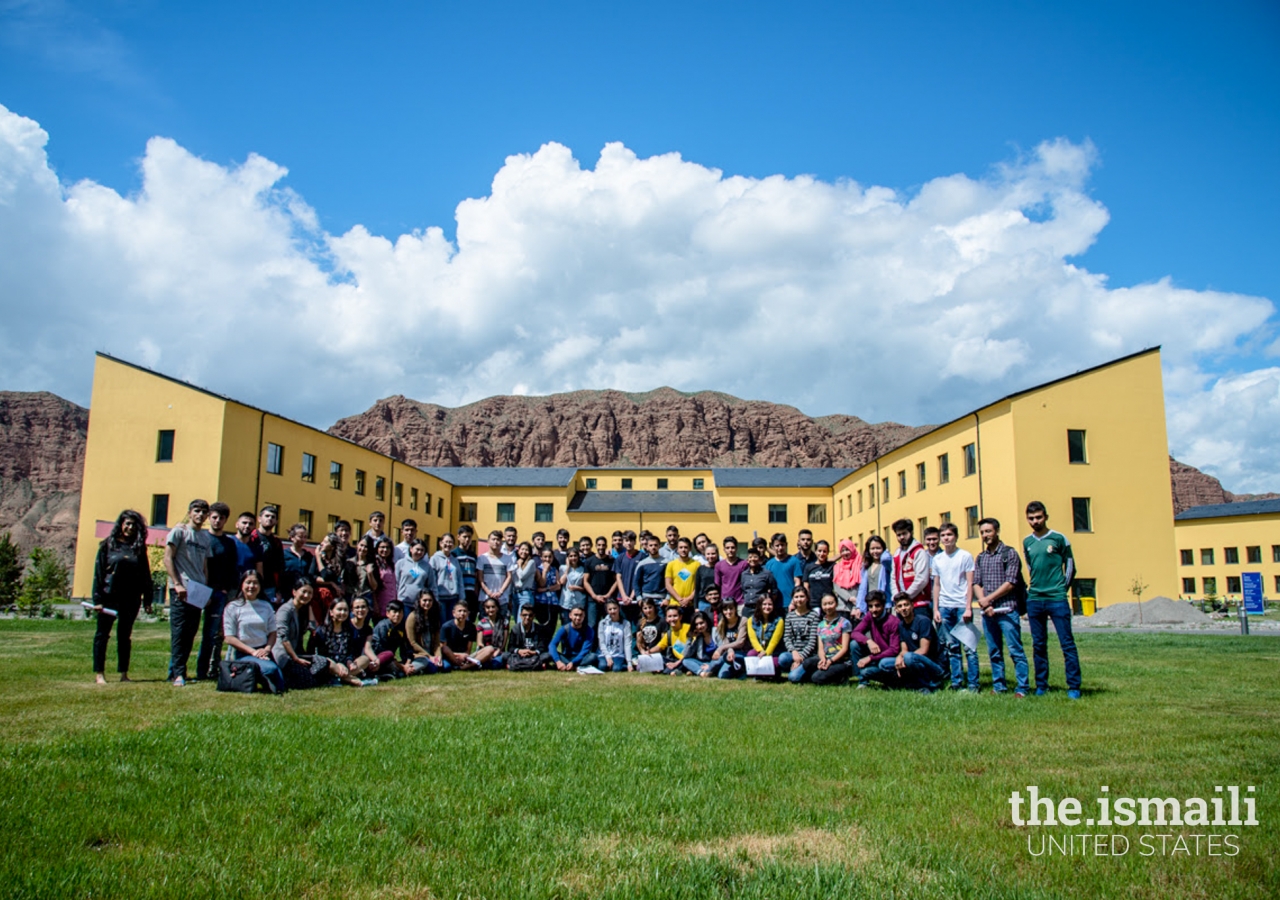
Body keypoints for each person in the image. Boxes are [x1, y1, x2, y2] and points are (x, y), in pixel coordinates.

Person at [1023, 501, 1082, 699]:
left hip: (1057, 599)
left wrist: (1060, 589)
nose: (1035, 521)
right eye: (1031, 518)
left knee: (1067, 643)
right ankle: (1041, 685)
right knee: (1039, 644)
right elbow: (1031, 567)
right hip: (1035, 599)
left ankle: (1074, 686)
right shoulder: (1027, 542)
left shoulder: (1058, 538)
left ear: (1046, 516)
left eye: (1038, 517)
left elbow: (1071, 567)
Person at [91, 509, 154, 684]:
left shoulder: (139, 548)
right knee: (102, 635)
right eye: (127, 524)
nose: (130, 527)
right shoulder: (107, 545)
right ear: (121, 525)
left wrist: (147, 599)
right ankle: (99, 673)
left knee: (124, 636)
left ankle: (124, 674)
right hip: (109, 596)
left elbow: (145, 575)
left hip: (131, 598)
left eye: (134, 525)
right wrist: (97, 600)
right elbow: (98, 573)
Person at [974, 517, 1030, 697]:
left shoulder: (1009, 554)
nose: (985, 535)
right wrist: (983, 602)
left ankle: (1022, 687)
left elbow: (1011, 583)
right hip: (988, 613)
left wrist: (988, 599)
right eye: (982, 532)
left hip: (1007, 610)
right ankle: (999, 686)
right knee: (994, 651)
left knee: (1015, 650)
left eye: (988, 531)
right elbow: (976, 582)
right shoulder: (981, 557)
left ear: (997, 531)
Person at [164, 499, 211, 687]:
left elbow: (205, 567)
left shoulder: (205, 538)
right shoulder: (179, 532)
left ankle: (180, 671)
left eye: (203, 512)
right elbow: (168, 558)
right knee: (179, 633)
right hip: (181, 589)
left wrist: (205, 591)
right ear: (190, 512)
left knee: (191, 633)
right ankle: (177, 674)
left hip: (197, 591)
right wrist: (177, 584)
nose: (200, 515)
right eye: (197, 511)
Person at [272, 577, 349, 689]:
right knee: (312, 679)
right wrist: (296, 658)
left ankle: (347, 677)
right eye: (304, 592)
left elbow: (313, 627)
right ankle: (352, 679)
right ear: (294, 592)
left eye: (310, 593)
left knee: (324, 663)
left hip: (297, 654)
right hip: (285, 657)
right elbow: (283, 638)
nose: (307, 595)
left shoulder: (303, 609)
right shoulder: (285, 610)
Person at [931, 522, 978, 692]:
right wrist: (936, 609)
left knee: (969, 647)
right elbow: (936, 585)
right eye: (943, 536)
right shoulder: (937, 559)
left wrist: (968, 607)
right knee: (952, 647)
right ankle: (957, 681)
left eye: (949, 535)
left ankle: (973, 684)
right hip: (945, 606)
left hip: (960, 606)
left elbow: (970, 582)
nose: (946, 538)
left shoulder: (965, 556)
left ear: (956, 536)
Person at [221, 570, 286, 692]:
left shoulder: (266, 606)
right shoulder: (233, 607)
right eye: (248, 582)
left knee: (279, 683)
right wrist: (253, 652)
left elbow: (273, 632)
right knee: (270, 670)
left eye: (255, 583)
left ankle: (258, 677)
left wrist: (266, 649)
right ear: (242, 584)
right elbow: (229, 638)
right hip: (243, 653)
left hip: (264, 652)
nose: (251, 586)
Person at [866, 593, 944, 693]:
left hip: (932, 665)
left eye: (906, 605)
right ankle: (907, 683)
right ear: (896, 609)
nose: (903, 608)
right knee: (884, 663)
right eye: (900, 606)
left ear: (912, 605)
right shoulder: (901, 625)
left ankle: (930, 685)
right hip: (912, 660)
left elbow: (924, 650)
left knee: (908, 657)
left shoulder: (923, 621)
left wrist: (904, 658)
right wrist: (899, 657)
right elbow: (904, 650)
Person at [306, 598, 370, 685]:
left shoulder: (349, 630)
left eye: (345, 610)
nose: (342, 613)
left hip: (344, 665)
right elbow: (320, 655)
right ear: (331, 612)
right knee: (328, 663)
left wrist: (349, 662)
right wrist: (337, 665)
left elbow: (349, 652)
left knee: (365, 659)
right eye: (339, 609)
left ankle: (343, 677)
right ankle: (349, 679)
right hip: (328, 664)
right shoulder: (321, 631)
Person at [802, 594, 854, 685]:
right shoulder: (821, 625)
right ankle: (825, 673)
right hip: (826, 658)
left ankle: (842, 677)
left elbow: (845, 649)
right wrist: (823, 660)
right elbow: (821, 648)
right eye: (825, 604)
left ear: (836, 604)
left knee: (816, 678)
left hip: (841, 661)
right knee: (807, 663)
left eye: (831, 603)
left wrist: (830, 661)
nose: (828, 607)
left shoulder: (845, 623)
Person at [851, 591, 900, 686]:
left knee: (882, 664)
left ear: (884, 605)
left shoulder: (893, 622)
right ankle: (863, 682)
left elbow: (894, 650)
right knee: (854, 644)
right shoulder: (869, 616)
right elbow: (855, 633)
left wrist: (870, 658)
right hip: (877, 655)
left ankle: (893, 681)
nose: (874, 609)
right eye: (870, 606)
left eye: (877, 605)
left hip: (888, 659)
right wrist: (868, 641)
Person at [890, 519, 932, 620]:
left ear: (911, 532)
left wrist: (906, 597)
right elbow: (893, 578)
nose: (902, 537)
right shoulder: (897, 554)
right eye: (898, 535)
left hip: (919, 604)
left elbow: (922, 579)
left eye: (904, 533)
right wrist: (897, 597)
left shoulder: (919, 552)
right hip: (902, 606)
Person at [779, 587, 820, 682]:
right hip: (794, 653)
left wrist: (800, 658)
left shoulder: (813, 616)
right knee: (782, 658)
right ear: (793, 599)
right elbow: (787, 637)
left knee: (793, 678)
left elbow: (812, 641)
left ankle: (806, 671)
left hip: (808, 655)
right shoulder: (789, 616)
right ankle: (797, 668)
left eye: (802, 596)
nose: (799, 599)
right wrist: (793, 652)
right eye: (796, 597)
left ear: (807, 598)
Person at [368, 600, 414, 678]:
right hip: (377, 658)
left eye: (400, 612)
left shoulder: (401, 627)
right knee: (390, 657)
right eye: (394, 612)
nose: (397, 615)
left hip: (391, 659)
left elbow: (407, 647)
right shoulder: (383, 626)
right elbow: (382, 650)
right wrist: (402, 667)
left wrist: (407, 663)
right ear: (387, 613)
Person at [405, 590, 447, 675]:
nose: (427, 603)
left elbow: (436, 642)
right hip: (418, 655)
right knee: (431, 667)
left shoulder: (434, 617)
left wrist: (438, 657)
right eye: (424, 600)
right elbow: (412, 642)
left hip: (431, 654)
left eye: (430, 600)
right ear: (419, 601)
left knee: (446, 666)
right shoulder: (412, 617)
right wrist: (429, 656)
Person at [745, 590, 785, 676]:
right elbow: (753, 639)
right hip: (759, 651)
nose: (767, 607)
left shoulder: (779, 621)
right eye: (764, 604)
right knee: (750, 654)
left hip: (774, 651)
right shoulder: (751, 620)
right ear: (759, 605)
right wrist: (761, 651)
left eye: (770, 604)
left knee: (773, 666)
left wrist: (766, 653)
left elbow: (774, 641)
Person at [251, 506, 285, 603]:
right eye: (267, 516)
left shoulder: (276, 543)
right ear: (259, 519)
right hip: (251, 585)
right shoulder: (251, 538)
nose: (269, 519)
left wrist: (279, 589)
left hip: (270, 587)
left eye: (273, 517)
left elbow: (280, 567)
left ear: (276, 521)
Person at [429, 533, 464, 624]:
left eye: (451, 542)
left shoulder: (455, 560)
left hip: (454, 598)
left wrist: (461, 598)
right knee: (442, 624)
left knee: (453, 624)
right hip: (441, 598)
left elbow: (460, 579)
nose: (448, 544)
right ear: (440, 543)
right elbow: (432, 580)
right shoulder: (434, 559)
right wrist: (435, 597)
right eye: (446, 542)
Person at [395, 539, 437, 615]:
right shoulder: (401, 563)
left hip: (420, 604)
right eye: (417, 549)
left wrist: (435, 600)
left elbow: (432, 585)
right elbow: (396, 583)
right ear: (411, 549)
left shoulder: (427, 567)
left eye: (422, 550)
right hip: (404, 602)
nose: (419, 552)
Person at [549, 606, 598, 671]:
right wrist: (558, 661)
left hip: (581, 658)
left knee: (593, 656)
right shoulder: (564, 629)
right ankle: (572, 667)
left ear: (584, 616)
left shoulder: (589, 630)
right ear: (570, 615)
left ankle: (570, 666)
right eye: (575, 615)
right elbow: (552, 645)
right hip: (566, 657)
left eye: (580, 615)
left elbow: (585, 650)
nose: (578, 618)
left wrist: (573, 662)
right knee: (549, 653)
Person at [584, 535, 617, 629]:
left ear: (606, 546)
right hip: (593, 600)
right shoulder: (589, 561)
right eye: (599, 545)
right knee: (592, 625)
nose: (601, 547)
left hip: (608, 600)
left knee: (610, 625)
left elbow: (617, 581)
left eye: (603, 545)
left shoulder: (612, 561)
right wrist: (594, 596)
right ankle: (593, 644)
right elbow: (585, 581)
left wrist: (608, 595)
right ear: (596, 546)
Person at [765, 533, 804, 611]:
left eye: (782, 545)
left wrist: (793, 602)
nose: (780, 548)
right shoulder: (769, 564)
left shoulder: (794, 561)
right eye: (777, 545)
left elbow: (797, 582)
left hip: (790, 604)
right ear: (772, 546)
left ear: (786, 545)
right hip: (774, 604)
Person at [478, 530, 513, 618]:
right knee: (485, 626)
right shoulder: (482, 558)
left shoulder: (507, 559)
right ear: (488, 541)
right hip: (485, 597)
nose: (495, 542)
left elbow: (509, 577)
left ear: (501, 542)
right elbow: (480, 578)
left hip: (502, 598)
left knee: (501, 625)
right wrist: (488, 592)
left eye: (498, 540)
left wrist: (500, 592)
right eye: (493, 539)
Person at [710, 598, 747, 679]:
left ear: (735, 609)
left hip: (742, 653)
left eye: (731, 608)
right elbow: (726, 642)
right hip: (730, 654)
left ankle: (743, 670)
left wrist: (720, 649)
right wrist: (730, 651)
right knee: (721, 675)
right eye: (725, 609)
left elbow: (740, 642)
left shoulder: (743, 620)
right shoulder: (722, 623)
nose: (728, 612)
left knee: (722, 660)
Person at [440, 601, 483, 671]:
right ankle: (461, 665)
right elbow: (443, 648)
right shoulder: (446, 627)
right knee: (446, 664)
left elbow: (468, 649)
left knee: (489, 649)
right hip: (451, 655)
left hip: (465, 656)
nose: (462, 614)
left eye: (464, 611)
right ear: (454, 613)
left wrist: (465, 656)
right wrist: (458, 655)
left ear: (468, 613)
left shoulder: (471, 627)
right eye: (459, 611)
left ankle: (465, 666)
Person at [507, 605, 552, 671]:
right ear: (520, 615)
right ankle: (537, 665)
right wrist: (520, 651)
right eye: (525, 615)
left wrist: (532, 652)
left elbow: (542, 647)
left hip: (534, 655)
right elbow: (510, 647)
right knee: (505, 655)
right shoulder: (515, 629)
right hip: (520, 655)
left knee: (548, 655)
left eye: (530, 615)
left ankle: (516, 664)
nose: (527, 617)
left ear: (534, 616)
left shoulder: (539, 629)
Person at [855, 535, 891, 618]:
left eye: (878, 548)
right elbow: (862, 588)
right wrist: (859, 606)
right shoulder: (866, 566)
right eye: (872, 548)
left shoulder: (886, 564)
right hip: (870, 606)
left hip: (884, 604)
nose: (875, 551)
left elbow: (886, 559)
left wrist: (886, 552)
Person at [281, 524, 318, 601]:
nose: (303, 540)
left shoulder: (308, 556)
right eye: (300, 537)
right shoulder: (283, 554)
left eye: (305, 537)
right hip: (287, 593)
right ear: (292, 537)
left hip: (304, 595)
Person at [534, 547, 563, 645]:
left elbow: (558, 586)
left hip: (553, 602)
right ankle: (541, 647)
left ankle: (548, 648)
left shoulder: (555, 570)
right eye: (545, 557)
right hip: (541, 602)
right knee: (542, 626)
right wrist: (545, 571)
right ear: (541, 557)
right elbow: (541, 584)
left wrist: (546, 589)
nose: (547, 559)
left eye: (549, 557)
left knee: (552, 627)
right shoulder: (538, 569)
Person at [739, 546, 778, 618]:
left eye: (755, 557)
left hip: (761, 608)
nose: (752, 559)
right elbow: (744, 590)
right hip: (747, 608)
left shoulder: (767, 574)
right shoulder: (744, 574)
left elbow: (774, 591)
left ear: (759, 559)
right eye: (750, 557)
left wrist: (767, 603)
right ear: (747, 560)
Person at [612, 530, 642, 625]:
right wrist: (624, 596)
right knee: (623, 627)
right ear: (623, 542)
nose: (629, 543)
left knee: (635, 628)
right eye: (626, 540)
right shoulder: (620, 558)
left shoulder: (642, 557)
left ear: (635, 542)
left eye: (631, 540)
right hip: (622, 599)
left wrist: (631, 596)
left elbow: (640, 579)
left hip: (636, 599)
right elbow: (618, 578)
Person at [633, 533, 668, 610]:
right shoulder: (642, 564)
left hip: (662, 601)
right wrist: (639, 597)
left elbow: (671, 582)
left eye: (655, 545)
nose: (653, 547)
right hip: (646, 600)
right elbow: (636, 582)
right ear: (647, 547)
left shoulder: (666, 563)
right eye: (651, 545)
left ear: (660, 546)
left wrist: (667, 598)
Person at [596, 599, 633, 672]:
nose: (612, 611)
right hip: (604, 653)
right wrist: (608, 656)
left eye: (614, 608)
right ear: (607, 611)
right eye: (610, 609)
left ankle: (625, 665)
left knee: (616, 669)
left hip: (618, 654)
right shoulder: (602, 623)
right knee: (602, 667)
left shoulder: (626, 623)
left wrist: (629, 663)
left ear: (619, 608)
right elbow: (601, 642)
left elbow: (627, 644)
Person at [653, 604, 691, 674]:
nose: (672, 619)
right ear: (666, 619)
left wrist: (677, 663)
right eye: (669, 616)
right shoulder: (669, 634)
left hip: (687, 659)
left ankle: (673, 670)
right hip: (675, 660)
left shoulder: (688, 628)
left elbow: (691, 651)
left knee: (686, 662)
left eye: (675, 616)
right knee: (659, 657)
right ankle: (671, 669)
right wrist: (648, 652)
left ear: (680, 617)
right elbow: (659, 647)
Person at [664, 537, 700, 610]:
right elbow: (668, 584)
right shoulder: (671, 564)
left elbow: (699, 585)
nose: (683, 550)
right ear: (677, 549)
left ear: (690, 549)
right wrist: (679, 599)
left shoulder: (697, 564)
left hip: (690, 604)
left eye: (686, 547)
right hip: (675, 604)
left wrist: (689, 599)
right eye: (681, 547)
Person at [679, 611, 718, 676]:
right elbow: (686, 655)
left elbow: (722, 651)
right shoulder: (699, 638)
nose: (699, 626)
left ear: (707, 622)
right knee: (685, 661)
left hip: (716, 662)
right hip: (704, 664)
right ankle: (701, 673)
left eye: (701, 623)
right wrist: (690, 638)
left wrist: (710, 665)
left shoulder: (716, 632)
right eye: (696, 625)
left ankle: (702, 671)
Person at [453, 525, 480, 616]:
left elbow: (476, 574)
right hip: (459, 590)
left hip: (471, 591)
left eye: (469, 537)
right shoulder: (454, 554)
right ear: (458, 537)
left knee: (471, 616)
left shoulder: (473, 555)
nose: (467, 539)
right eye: (465, 537)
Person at [803, 541, 836, 616]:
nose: (822, 554)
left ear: (828, 552)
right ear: (815, 551)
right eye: (819, 551)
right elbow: (806, 586)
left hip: (828, 604)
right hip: (814, 604)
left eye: (824, 551)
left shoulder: (832, 566)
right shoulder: (809, 567)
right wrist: (808, 601)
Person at [832, 539, 863, 618]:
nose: (845, 553)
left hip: (857, 606)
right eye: (842, 551)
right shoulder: (837, 567)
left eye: (847, 549)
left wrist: (855, 605)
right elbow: (837, 587)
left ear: (852, 549)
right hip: (842, 606)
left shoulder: (860, 564)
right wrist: (849, 598)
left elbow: (861, 585)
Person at [559, 547, 589, 626]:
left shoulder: (583, 569)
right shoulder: (562, 568)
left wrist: (577, 588)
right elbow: (561, 582)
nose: (573, 558)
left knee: (579, 625)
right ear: (567, 557)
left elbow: (585, 587)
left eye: (575, 556)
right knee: (566, 626)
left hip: (579, 601)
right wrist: (568, 568)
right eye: (571, 556)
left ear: (578, 557)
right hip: (566, 602)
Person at [714, 536, 747, 608]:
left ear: (736, 549)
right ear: (724, 549)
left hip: (740, 602)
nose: (730, 550)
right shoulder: (719, 565)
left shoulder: (744, 564)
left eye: (733, 547)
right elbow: (717, 585)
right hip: (724, 602)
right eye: (727, 548)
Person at [475, 597, 508, 668]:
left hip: (498, 651)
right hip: (485, 651)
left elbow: (503, 643)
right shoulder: (481, 623)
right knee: (486, 664)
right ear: (484, 609)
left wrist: (497, 651)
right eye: (488, 607)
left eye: (493, 607)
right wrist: (488, 654)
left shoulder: (504, 622)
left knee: (496, 664)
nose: (491, 609)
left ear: (497, 608)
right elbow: (479, 643)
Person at [370, 538, 398, 620]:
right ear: (377, 549)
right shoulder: (375, 564)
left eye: (387, 547)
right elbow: (373, 587)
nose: (385, 550)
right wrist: (375, 604)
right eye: (382, 547)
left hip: (391, 601)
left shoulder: (391, 564)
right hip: (380, 602)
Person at [232, 511, 264, 581]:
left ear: (254, 527)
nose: (247, 526)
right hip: (229, 587)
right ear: (237, 524)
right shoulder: (228, 542)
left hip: (248, 586)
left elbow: (259, 570)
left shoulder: (257, 547)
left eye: (250, 524)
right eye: (244, 523)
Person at [633, 598, 667, 663]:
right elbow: (638, 642)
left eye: (650, 607)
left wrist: (652, 651)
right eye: (645, 608)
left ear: (654, 607)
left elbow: (663, 641)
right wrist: (643, 652)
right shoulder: (640, 622)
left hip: (658, 653)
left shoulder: (662, 621)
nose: (648, 610)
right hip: (645, 653)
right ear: (642, 610)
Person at [510, 541, 538, 616]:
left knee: (522, 621)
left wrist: (518, 566)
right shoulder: (515, 562)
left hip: (525, 594)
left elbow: (522, 576)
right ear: (518, 550)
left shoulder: (531, 562)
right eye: (522, 549)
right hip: (515, 594)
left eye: (526, 550)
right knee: (517, 622)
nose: (524, 552)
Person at [695, 544, 719, 614]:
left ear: (717, 554)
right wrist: (696, 607)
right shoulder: (701, 569)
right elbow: (697, 588)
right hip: (703, 602)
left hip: (717, 602)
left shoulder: (720, 567)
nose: (710, 556)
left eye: (713, 554)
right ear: (705, 555)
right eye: (708, 554)